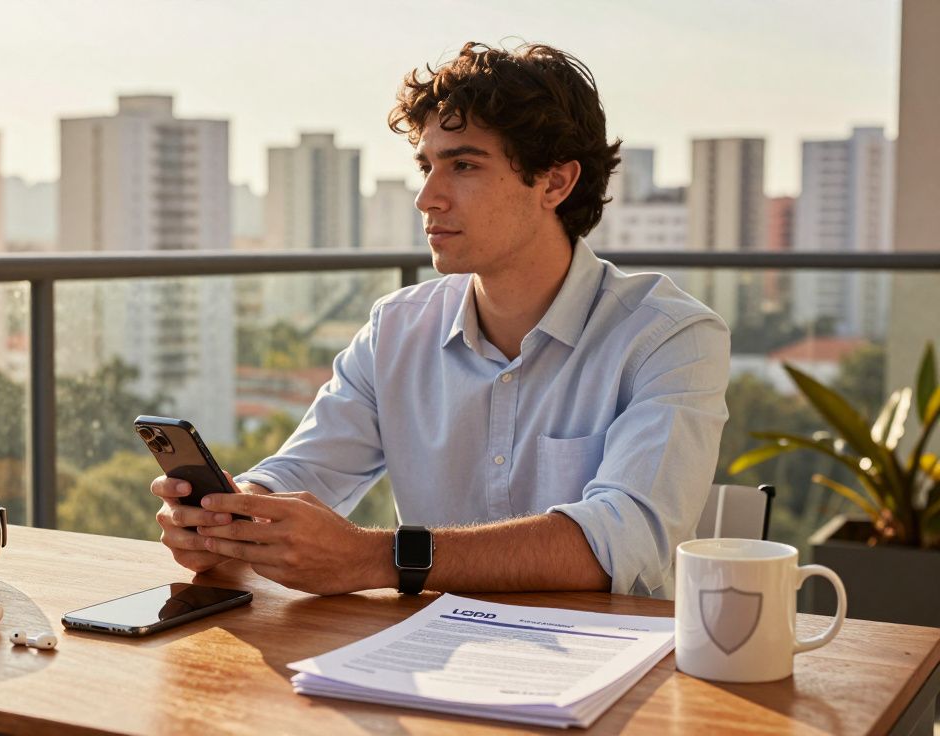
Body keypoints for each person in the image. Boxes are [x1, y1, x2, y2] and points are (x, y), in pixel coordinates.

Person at [151, 41, 730, 599]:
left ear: (555, 181)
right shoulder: (396, 329)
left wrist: (374, 557)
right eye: (426, 165)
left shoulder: (669, 337)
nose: (427, 196)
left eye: (464, 165)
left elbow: (622, 538)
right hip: (427, 659)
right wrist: (232, 518)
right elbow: (306, 470)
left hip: (609, 672)